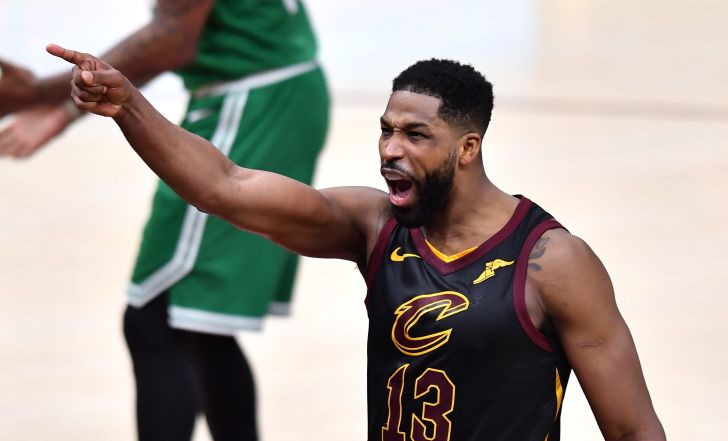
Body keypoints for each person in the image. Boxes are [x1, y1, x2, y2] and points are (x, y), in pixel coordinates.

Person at [48, 45, 665, 440]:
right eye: (386, 131)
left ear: (467, 148)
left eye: (415, 135)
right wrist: (129, 107)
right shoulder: (375, 227)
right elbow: (224, 186)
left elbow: (633, 430)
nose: (391, 150)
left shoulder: (552, 262)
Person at [1, 2, 328, 440]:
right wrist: (64, 110)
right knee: (198, 326)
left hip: (252, 100)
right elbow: (171, 37)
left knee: (157, 317)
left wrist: (38, 92)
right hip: (264, 93)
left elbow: (172, 40)